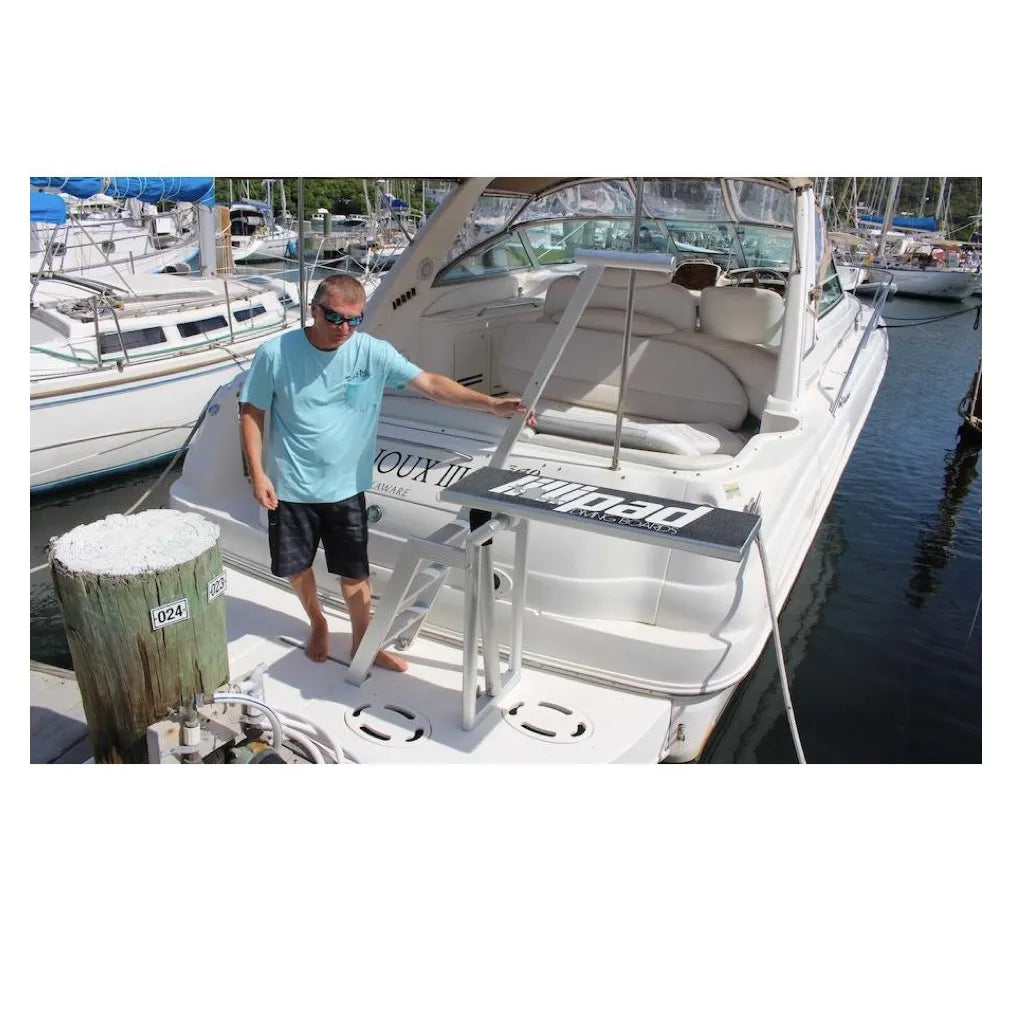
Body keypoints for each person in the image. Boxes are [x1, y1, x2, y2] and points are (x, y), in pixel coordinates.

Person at [239, 273, 525, 672]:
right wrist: (258, 473)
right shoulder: (275, 353)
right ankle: (318, 621)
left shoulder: (372, 352)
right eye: (335, 318)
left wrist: (490, 404)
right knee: (296, 568)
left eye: (354, 320)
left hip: (345, 488)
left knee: (354, 574)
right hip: (290, 486)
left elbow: (430, 383)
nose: (344, 329)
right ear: (313, 310)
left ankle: (363, 641)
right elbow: (251, 411)